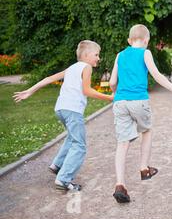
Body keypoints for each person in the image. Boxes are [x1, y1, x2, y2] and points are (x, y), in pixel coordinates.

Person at [13, 40, 114, 191]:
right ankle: (63, 179)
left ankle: (57, 165)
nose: (98, 58)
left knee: (72, 137)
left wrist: (30, 90)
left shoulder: (72, 68)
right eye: (96, 54)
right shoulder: (86, 67)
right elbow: (87, 91)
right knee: (79, 145)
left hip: (61, 109)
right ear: (86, 55)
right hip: (73, 111)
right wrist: (110, 98)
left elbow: (48, 79)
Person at [109, 24, 172, 203]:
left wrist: (115, 93)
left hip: (120, 102)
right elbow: (157, 75)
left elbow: (113, 81)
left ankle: (120, 184)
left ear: (129, 40)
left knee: (122, 143)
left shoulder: (119, 55)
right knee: (147, 130)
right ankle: (144, 168)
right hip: (138, 100)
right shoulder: (145, 53)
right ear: (146, 40)